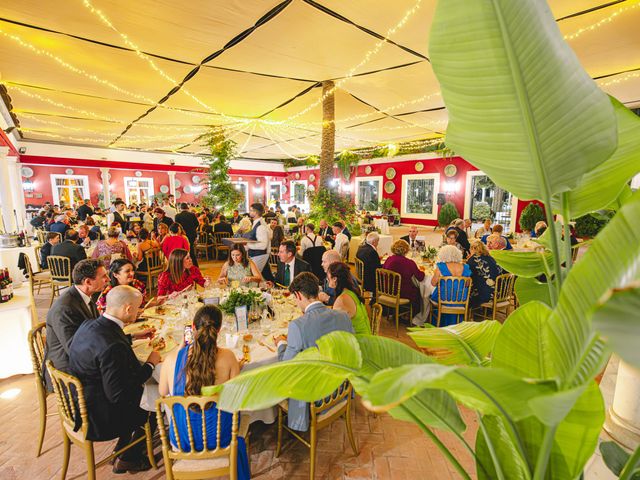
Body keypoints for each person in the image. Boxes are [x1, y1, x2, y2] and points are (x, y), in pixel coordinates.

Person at [68, 286, 159, 473]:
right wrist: (150, 364)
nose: (138, 311)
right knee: (155, 400)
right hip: (99, 415)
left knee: (143, 392)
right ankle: (128, 458)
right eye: (137, 308)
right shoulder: (113, 346)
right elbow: (119, 394)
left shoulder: (89, 325)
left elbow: (106, 339)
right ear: (127, 308)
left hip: (80, 401)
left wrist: (132, 336)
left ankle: (122, 446)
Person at [158, 305, 249, 479]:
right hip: (220, 438)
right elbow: (238, 398)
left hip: (183, 439)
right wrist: (236, 368)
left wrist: (179, 350)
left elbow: (163, 390)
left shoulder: (172, 359)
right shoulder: (228, 357)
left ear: (192, 328)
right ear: (219, 330)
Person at [274, 272, 354, 431]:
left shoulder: (298, 325)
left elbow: (286, 367)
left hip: (317, 397)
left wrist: (281, 343)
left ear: (298, 295)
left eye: (295, 299)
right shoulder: (343, 316)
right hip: (341, 388)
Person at [44, 259, 109, 390]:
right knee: (118, 374)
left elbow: (97, 331)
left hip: (80, 358)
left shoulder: (85, 296)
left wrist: (130, 336)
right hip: (68, 372)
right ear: (88, 282)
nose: (108, 279)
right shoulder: (65, 308)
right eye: (103, 276)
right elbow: (74, 349)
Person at [430, 245, 472, 326]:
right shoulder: (465, 267)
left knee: (430, 296)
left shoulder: (440, 266)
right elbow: (467, 284)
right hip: (461, 300)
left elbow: (433, 283)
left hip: (443, 299)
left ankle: (438, 324)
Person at [327, 262, 371, 335]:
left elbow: (333, 326)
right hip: (367, 338)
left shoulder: (342, 299)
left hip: (359, 342)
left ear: (334, 279)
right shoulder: (351, 292)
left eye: (328, 278)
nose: (327, 280)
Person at [383, 239, 425, 313]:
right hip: (402, 293)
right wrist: (423, 271)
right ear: (406, 250)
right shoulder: (409, 263)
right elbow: (420, 277)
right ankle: (413, 315)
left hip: (387, 290)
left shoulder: (388, 259)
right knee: (418, 290)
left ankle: (399, 311)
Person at [467, 240, 504, 308]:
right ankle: (485, 310)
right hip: (499, 292)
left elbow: (468, 275)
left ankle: (470, 312)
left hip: (485, 295)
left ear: (472, 249)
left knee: (466, 292)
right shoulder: (490, 257)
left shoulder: (472, 260)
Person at [356, 231, 381, 297]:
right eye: (377, 242)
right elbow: (377, 268)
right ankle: (376, 299)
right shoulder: (372, 251)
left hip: (361, 275)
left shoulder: (361, 248)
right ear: (374, 242)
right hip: (369, 280)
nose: (378, 243)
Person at [175, 202, 200, 267]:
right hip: (192, 234)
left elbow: (177, 226)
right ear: (187, 208)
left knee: (183, 250)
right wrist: (192, 229)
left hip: (182, 235)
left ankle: (184, 265)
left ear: (180, 208)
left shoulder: (178, 216)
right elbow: (197, 224)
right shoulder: (192, 215)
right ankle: (194, 265)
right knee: (191, 249)